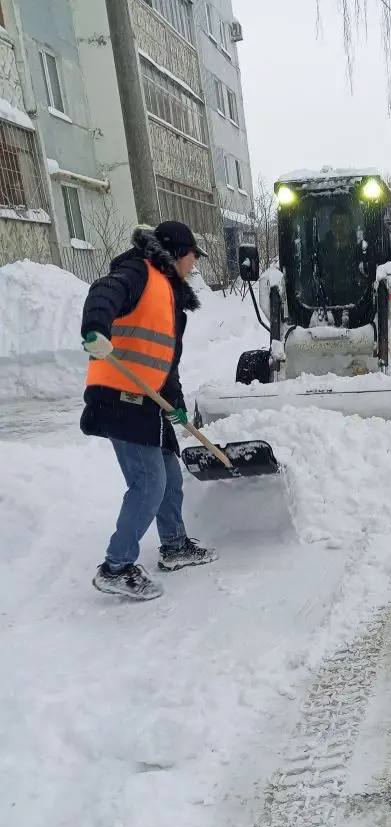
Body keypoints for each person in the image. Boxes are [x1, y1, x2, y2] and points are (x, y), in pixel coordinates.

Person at [81, 221, 217, 601]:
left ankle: (174, 546)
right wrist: (95, 328)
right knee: (149, 483)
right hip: (120, 396)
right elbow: (104, 291)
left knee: (170, 476)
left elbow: (164, 362)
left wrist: (176, 407)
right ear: (177, 252)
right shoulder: (138, 271)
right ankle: (116, 567)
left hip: (149, 402)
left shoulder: (170, 298)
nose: (195, 265)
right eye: (193, 257)